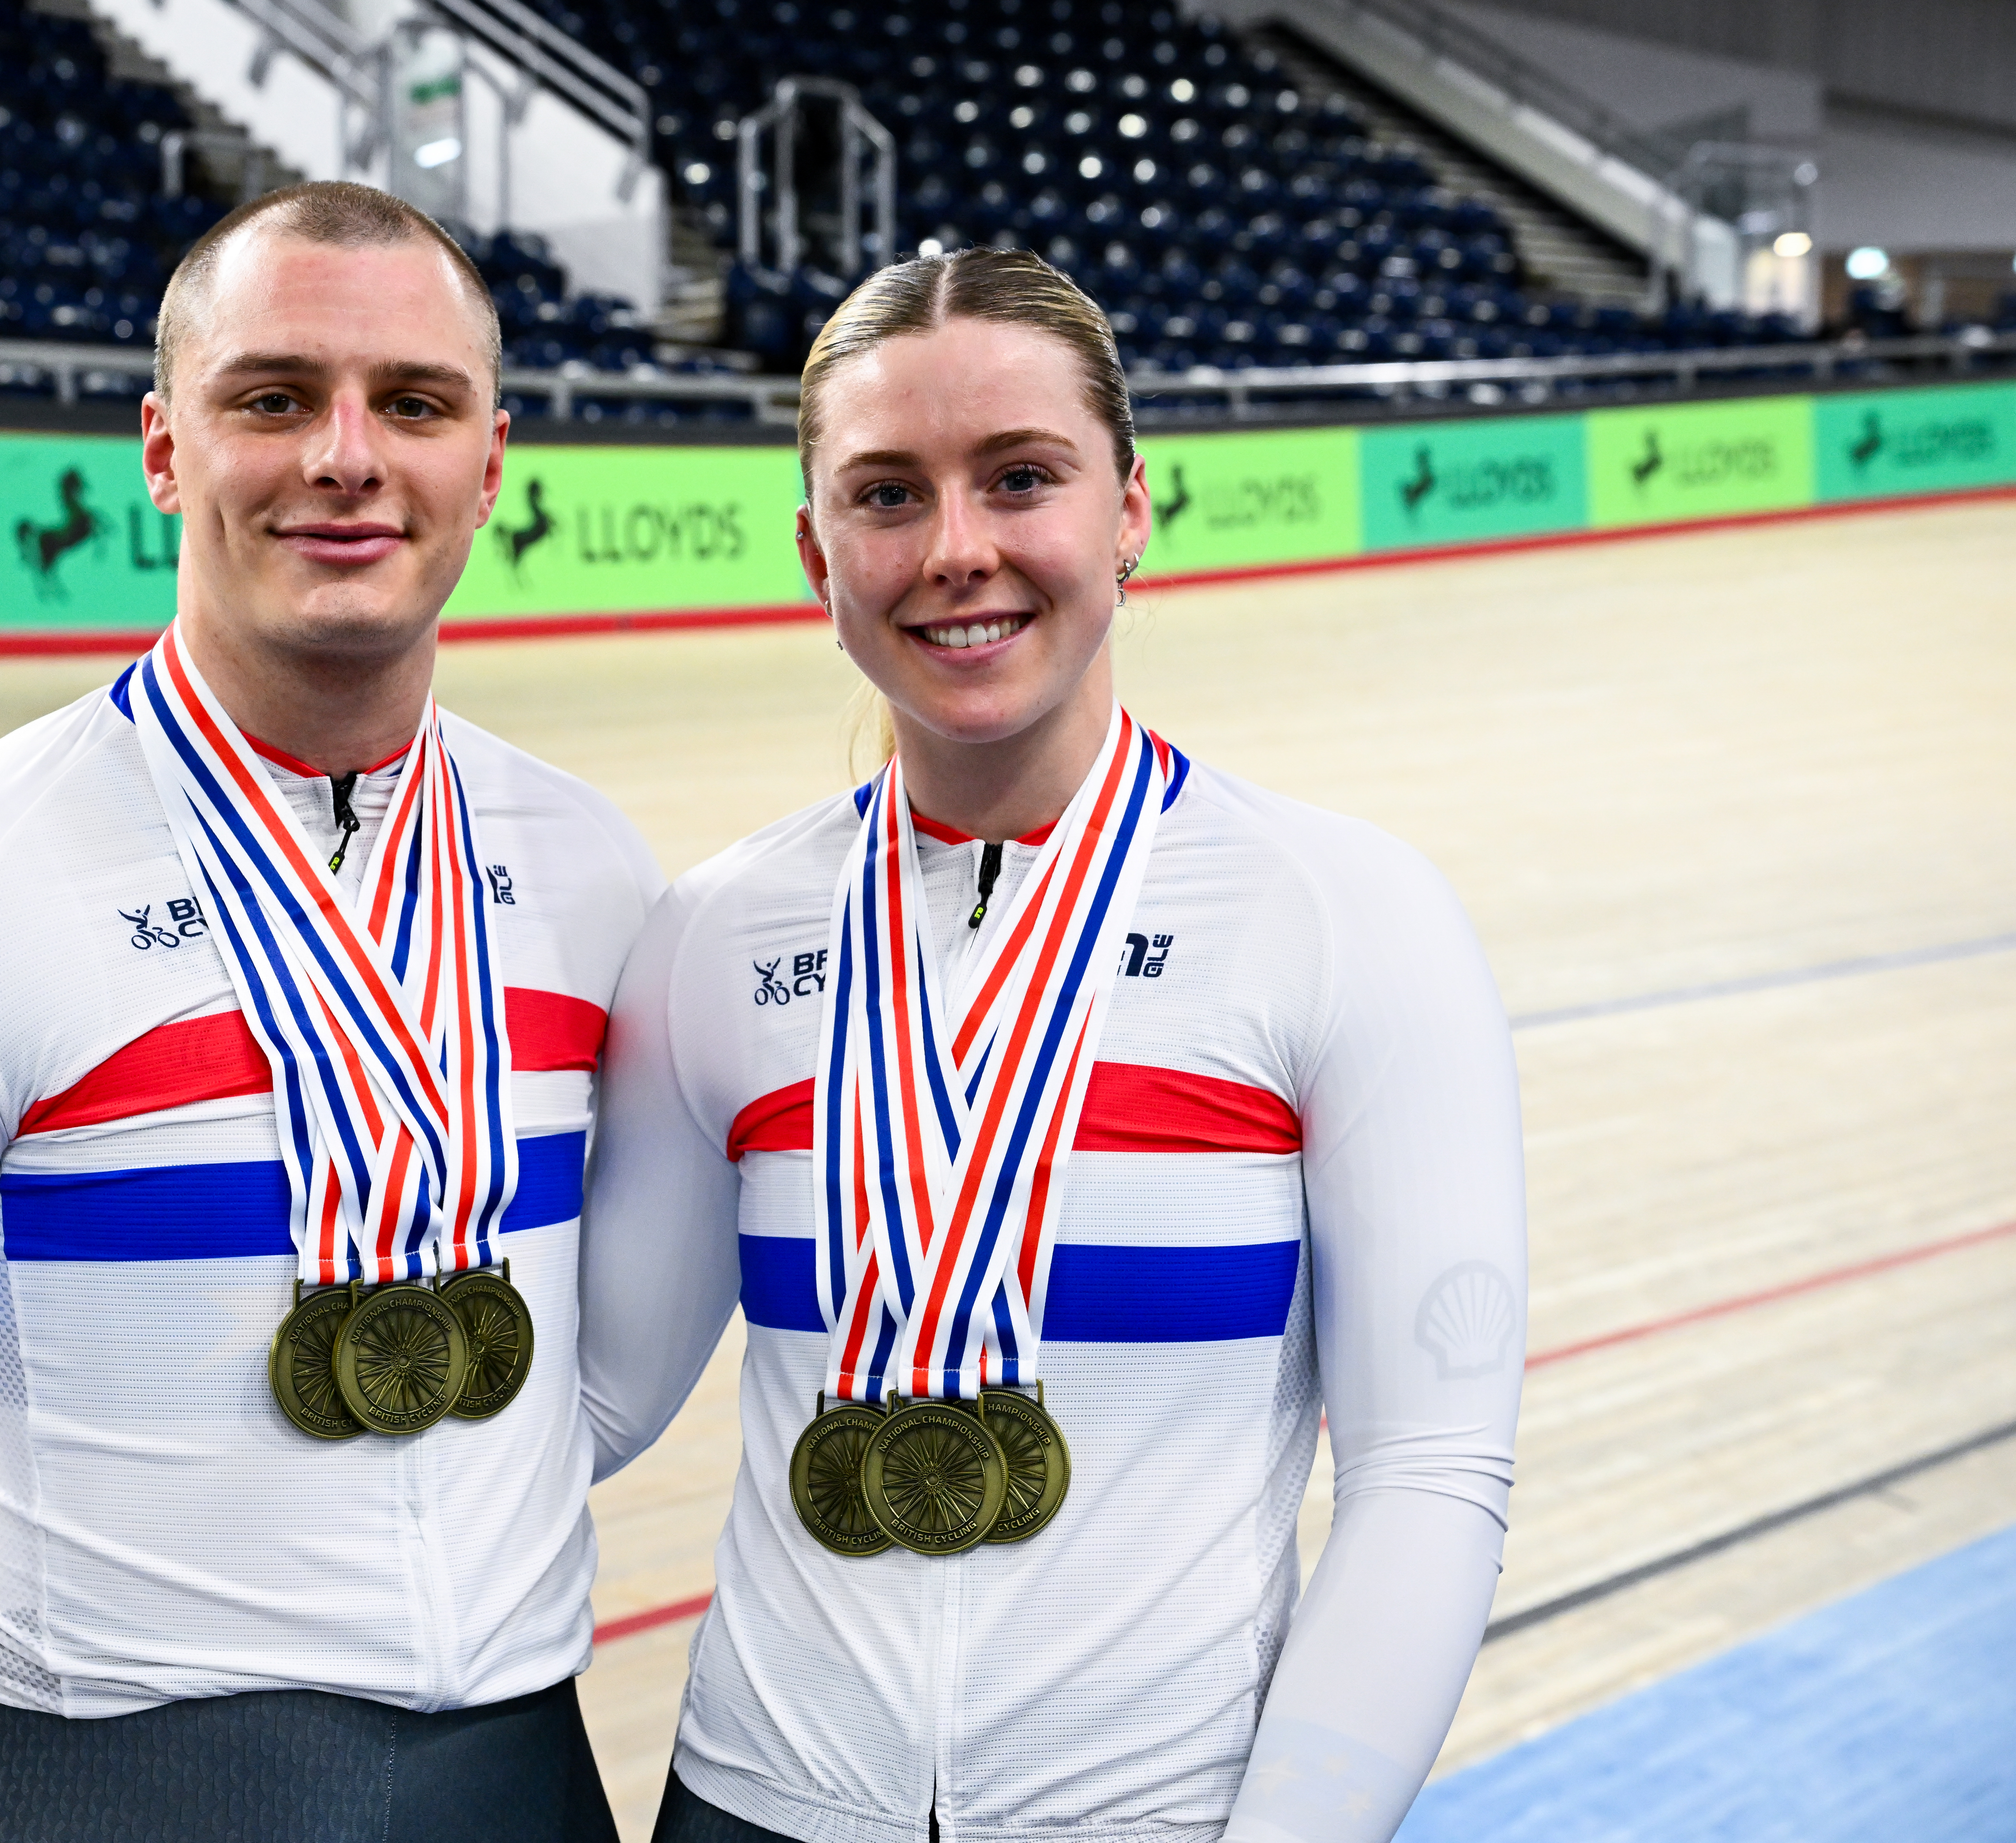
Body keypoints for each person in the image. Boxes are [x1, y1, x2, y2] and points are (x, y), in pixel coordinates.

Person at [0, 181, 659, 1843]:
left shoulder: (588, 868)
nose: (346, 456)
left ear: (488, 464)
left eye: (412, 404)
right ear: (162, 448)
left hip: (518, 1768)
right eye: (274, 397)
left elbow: (603, 1362)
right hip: (114, 1772)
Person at [573, 249, 1528, 1843]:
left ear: (1131, 508)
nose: (959, 550)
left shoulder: (1348, 917)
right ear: (817, 549)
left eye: (1021, 478)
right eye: (888, 495)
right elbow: (594, 1398)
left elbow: (1429, 1475)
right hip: (753, 1800)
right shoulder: (714, 937)